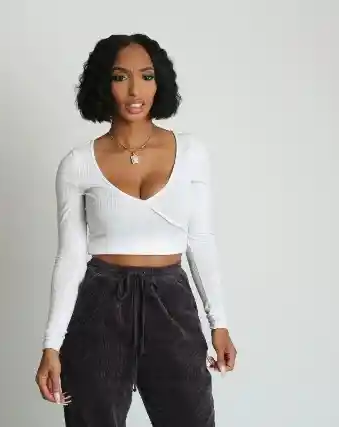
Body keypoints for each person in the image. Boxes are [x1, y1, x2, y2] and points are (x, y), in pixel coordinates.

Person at [35, 33, 237, 427]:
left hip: (171, 303)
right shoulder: (78, 164)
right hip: (100, 305)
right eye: (120, 77)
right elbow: (71, 257)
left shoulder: (191, 153)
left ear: (159, 83)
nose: (134, 90)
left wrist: (220, 323)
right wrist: (51, 345)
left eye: (146, 76)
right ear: (103, 84)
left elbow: (200, 240)